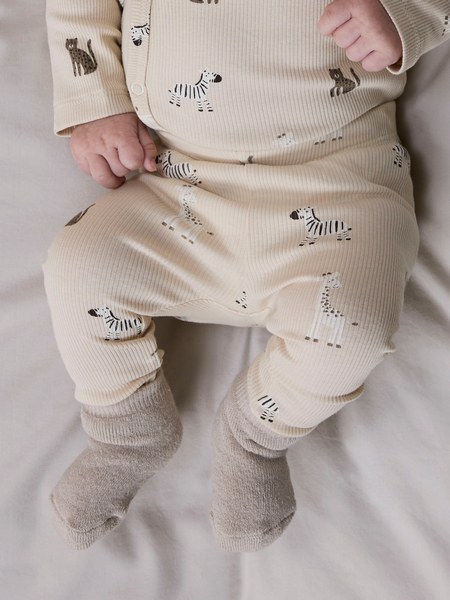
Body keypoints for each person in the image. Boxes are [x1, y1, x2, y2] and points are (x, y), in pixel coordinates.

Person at [44, 0, 450, 552]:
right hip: (177, 183)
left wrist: (402, 14)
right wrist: (95, 103)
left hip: (342, 185)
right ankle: (128, 430)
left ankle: (254, 435)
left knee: (354, 330)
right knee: (78, 267)